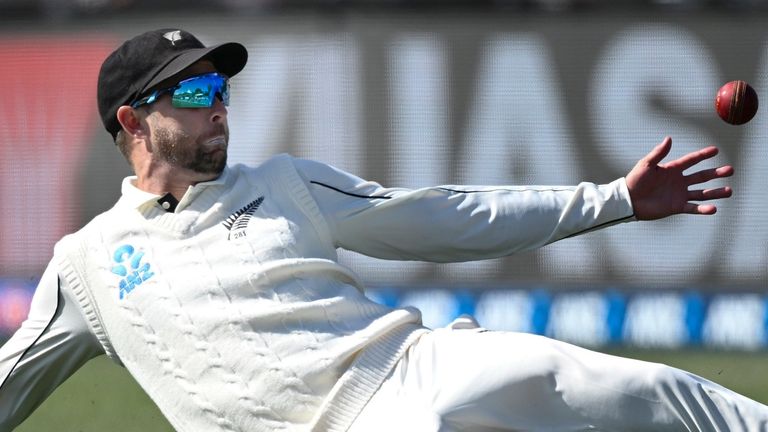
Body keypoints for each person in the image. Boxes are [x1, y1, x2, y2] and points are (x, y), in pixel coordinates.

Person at [0, 27, 764, 432]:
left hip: (416, 366)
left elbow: (442, 216)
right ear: (133, 120)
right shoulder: (85, 265)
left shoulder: (284, 183)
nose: (219, 104)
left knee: (648, 389)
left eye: (222, 86)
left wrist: (613, 199)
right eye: (195, 90)